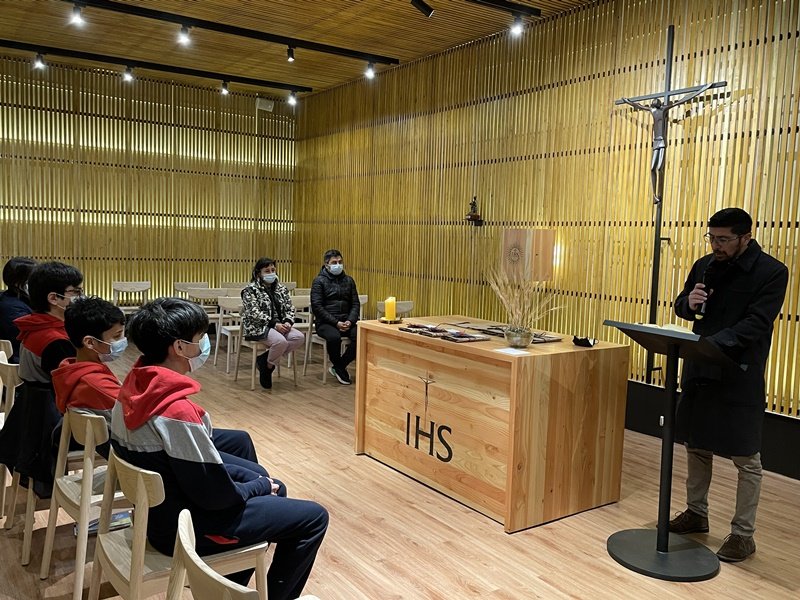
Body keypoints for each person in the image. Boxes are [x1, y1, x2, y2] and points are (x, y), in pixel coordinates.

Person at [111, 297, 328, 597]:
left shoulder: (133, 385)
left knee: (266, 481)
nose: (204, 344)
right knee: (314, 517)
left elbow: (200, 472)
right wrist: (258, 486)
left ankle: (228, 589)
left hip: (156, 516)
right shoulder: (176, 412)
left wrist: (256, 482)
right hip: (184, 528)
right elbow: (215, 497)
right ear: (179, 347)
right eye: (200, 337)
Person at [670, 207, 788, 562]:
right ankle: (696, 513)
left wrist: (713, 344)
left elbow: (757, 323)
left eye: (723, 239)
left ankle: (743, 534)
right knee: (695, 445)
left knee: (746, 457)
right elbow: (684, 305)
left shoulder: (772, 272)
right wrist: (687, 305)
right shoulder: (704, 265)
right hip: (700, 368)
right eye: (712, 237)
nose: (716, 245)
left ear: (745, 237)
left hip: (739, 373)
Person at [54, 296, 267, 465]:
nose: (123, 341)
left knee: (239, 440)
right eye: (117, 336)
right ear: (90, 342)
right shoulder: (95, 384)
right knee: (240, 446)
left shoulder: (71, 369)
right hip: (145, 450)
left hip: (131, 444)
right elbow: (142, 415)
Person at [241, 258, 304, 389]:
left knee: (298, 337)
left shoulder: (281, 289)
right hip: (259, 326)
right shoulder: (250, 290)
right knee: (280, 342)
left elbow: (290, 308)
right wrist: (275, 324)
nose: (271, 273)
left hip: (280, 325)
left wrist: (288, 321)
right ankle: (269, 367)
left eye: (273, 270)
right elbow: (254, 313)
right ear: (258, 273)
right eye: (267, 271)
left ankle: (265, 361)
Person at [310, 249, 360, 385]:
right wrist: (336, 322)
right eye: (334, 262)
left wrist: (350, 320)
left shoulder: (349, 281)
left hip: (346, 320)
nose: (338, 265)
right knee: (334, 338)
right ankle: (339, 367)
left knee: (361, 335)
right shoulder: (319, 281)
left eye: (340, 262)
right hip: (326, 323)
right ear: (326, 264)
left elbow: (355, 304)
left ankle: (339, 366)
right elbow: (317, 307)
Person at [0, 257, 37, 362]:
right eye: (34, 279)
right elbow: (31, 338)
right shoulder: (12, 308)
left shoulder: (18, 299)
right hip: (19, 360)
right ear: (18, 282)